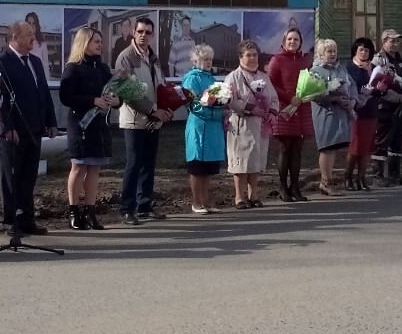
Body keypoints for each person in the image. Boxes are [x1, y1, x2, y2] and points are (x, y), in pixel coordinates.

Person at [0, 18, 59, 237]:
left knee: (29, 176)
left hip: (35, 128)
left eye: (33, 34)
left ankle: (27, 219)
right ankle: (10, 221)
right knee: (11, 177)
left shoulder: (35, 61)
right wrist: (7, 126)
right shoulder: (1, 62)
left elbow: (43, 92)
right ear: (14, 38)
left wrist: (51, 121)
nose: (33, 38)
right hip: (13, 131)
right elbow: (0, 99)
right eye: (28, 35)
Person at [112, 15, 171, 226]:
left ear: (153, 35)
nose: (144, 36)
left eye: (148, 32)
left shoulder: (153, 58)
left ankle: (144, 205)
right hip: (134, 120)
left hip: (153, 119)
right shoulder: (125, 57)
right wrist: (153, 109)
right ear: (133, 33)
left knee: (148, 163)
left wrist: (167, 106)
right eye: (140, 32)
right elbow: (126, 89)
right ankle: (127, 208)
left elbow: (160, 85)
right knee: (134, 163)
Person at [58, 26, 119, 230]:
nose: (100, 45)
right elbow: (66, 97)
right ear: (84, 43)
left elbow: (112, 93)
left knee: (95, 167)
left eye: (101, 42)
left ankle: (90, 211)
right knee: (79, 166)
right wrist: (92, 100)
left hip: (99, 125)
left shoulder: (102, 69)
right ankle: (74, 211)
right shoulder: (73, 68)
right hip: (80, 124)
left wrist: (115, 100)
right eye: (96, 42)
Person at [225, 39, 279, 209]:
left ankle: (253, 194)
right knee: (241, 162)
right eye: (248, 55)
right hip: (241, 125)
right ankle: (239, 197)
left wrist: (272, 113)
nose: (253, 58)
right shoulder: (233, 77)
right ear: (240, 57)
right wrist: (249, 108)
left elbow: (274, 98)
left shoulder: (263, 77)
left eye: (255, 55)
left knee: (255, 161)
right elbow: (229, 100)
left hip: (259, 127)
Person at [267, 28, 312, 201]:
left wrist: (308, 94)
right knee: (285, 149)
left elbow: (309, 82)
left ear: (301, 42)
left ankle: (295, 187)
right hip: (284, 109)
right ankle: (282, 187)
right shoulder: (277, 60)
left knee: (297, 150)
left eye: (296, 39)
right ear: (284, 41)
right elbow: (271, 84)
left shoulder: (305, 61)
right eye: (290, 39)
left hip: (301, 109)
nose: (293, 42)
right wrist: (288, 98)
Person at [180, 44, 225, 214]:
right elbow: (192, 103)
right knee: (197, 166)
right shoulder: (192, 78)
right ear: (195, 60)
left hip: (213, 126)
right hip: (199, 126)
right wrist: (210, 109)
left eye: (210, 59)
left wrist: (221, 105)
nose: (208, 62)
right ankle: (196, 203)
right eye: (205, 59)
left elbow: (218, 98)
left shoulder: (212, 78)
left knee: (207, 168)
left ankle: (206, 202)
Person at [308, 38, 356, 196]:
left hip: (340, 113)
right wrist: (334, 98)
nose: (332, 54)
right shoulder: (315, 71)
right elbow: (314, 95)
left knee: (333, 148)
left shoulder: (340, 68)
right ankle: (325, 182)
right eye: (329, 51)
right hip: (325, 113)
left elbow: (352, 85)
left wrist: (352, 101)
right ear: (321, 54)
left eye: (334, 51)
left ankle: (328, 180)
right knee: (326, 148)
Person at [370, 29, 402, 186]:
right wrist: (398, 97)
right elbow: (376, 85)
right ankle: (378, 175)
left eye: (397, 41)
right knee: (381, 140)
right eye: (392, 41)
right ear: (383, 42)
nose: (395, 44)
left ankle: (395, 174)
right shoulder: (378, 60)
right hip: (384, 105)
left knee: (398, 138)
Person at [344, 36, 378, 191]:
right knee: (355, 147)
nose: (364, 53)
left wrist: (379, 88)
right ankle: (348, 178)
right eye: (361, 50)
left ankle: (361, 178)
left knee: (367, 148)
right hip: (356, 112)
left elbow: (378, 88)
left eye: (367, 50)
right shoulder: (349, 68)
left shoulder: (373, 68)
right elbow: (348, 89)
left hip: (371, 110)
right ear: (355, 51)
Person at [24, 12, 52, 77]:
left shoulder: (42, 44)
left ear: (37, 25)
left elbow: (45, 66)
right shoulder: (22, 43)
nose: (31, 26)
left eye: (34, 23)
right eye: (29, 23)